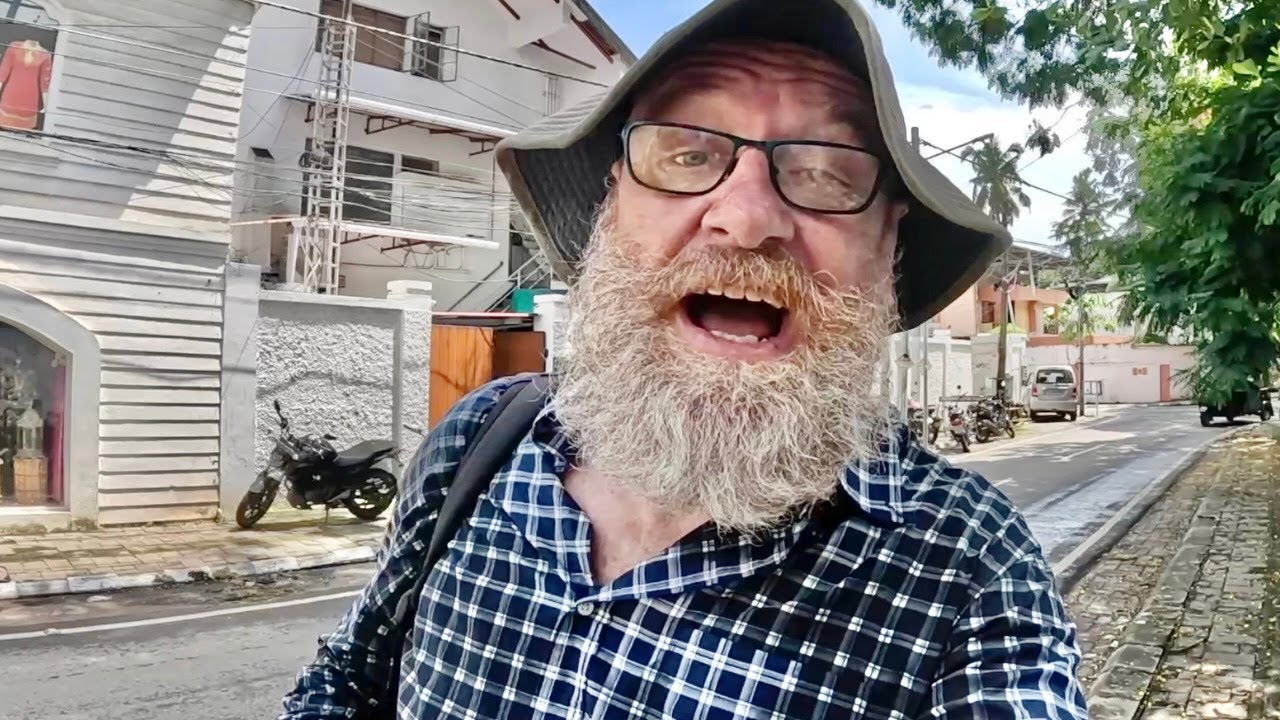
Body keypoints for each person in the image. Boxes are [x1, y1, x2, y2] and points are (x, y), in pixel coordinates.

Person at [280, 0, 1088, 717]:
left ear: (887, 246)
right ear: (610, 208)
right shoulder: (478, 442)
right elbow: (347, 683)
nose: (745, 217)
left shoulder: (972, 574)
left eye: (825, 173)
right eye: (687, 155)